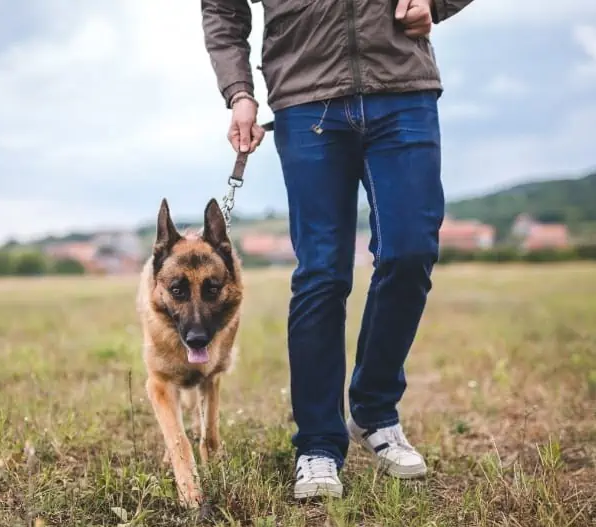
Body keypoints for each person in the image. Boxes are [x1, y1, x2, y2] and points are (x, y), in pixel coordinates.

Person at [201, 0, 475, 499]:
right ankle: (319, 444)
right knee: (322, 274)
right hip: (306, 97)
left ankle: (373, 411)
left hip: (401, 88)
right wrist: (239, 92)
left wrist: (435, 4)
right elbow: (221, 9)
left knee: (410, 251)